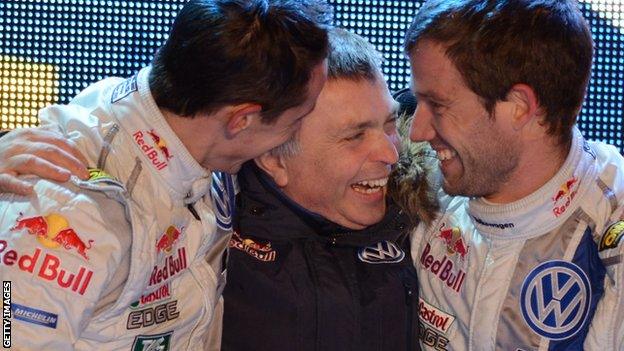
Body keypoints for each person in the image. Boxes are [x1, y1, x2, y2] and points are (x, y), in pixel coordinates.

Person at [0, 0, 329, 349]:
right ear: (241, 119)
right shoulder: (72, 207)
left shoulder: (193, 133)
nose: (295, 134)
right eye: (295, 121)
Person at [393, 0, 624, 350]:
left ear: (518, 107)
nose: (417, 132)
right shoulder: (417, 187)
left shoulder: (609, 229)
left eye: (438, 105)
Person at [221, 28, 437, 351]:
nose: (391, 154)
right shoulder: (210, 238)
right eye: (355, 136)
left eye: (389, 124)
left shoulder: (430, 219)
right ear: (274, 156)